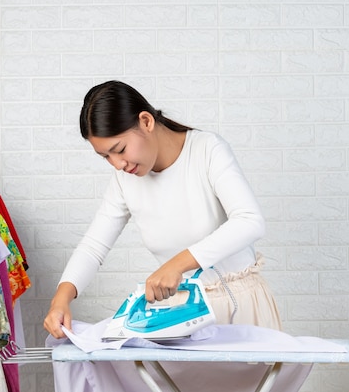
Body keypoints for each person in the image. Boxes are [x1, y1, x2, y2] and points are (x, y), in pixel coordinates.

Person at [43, 80, 309, 392]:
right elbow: (93, 246)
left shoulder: (207, 149)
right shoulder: (124, 180)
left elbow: (250, 221)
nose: (118, 164)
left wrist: (177, 264)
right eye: (106, 157)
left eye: (119, 150)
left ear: (145, 121)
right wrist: (62, 298)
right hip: (183, 318)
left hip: (243, 308)